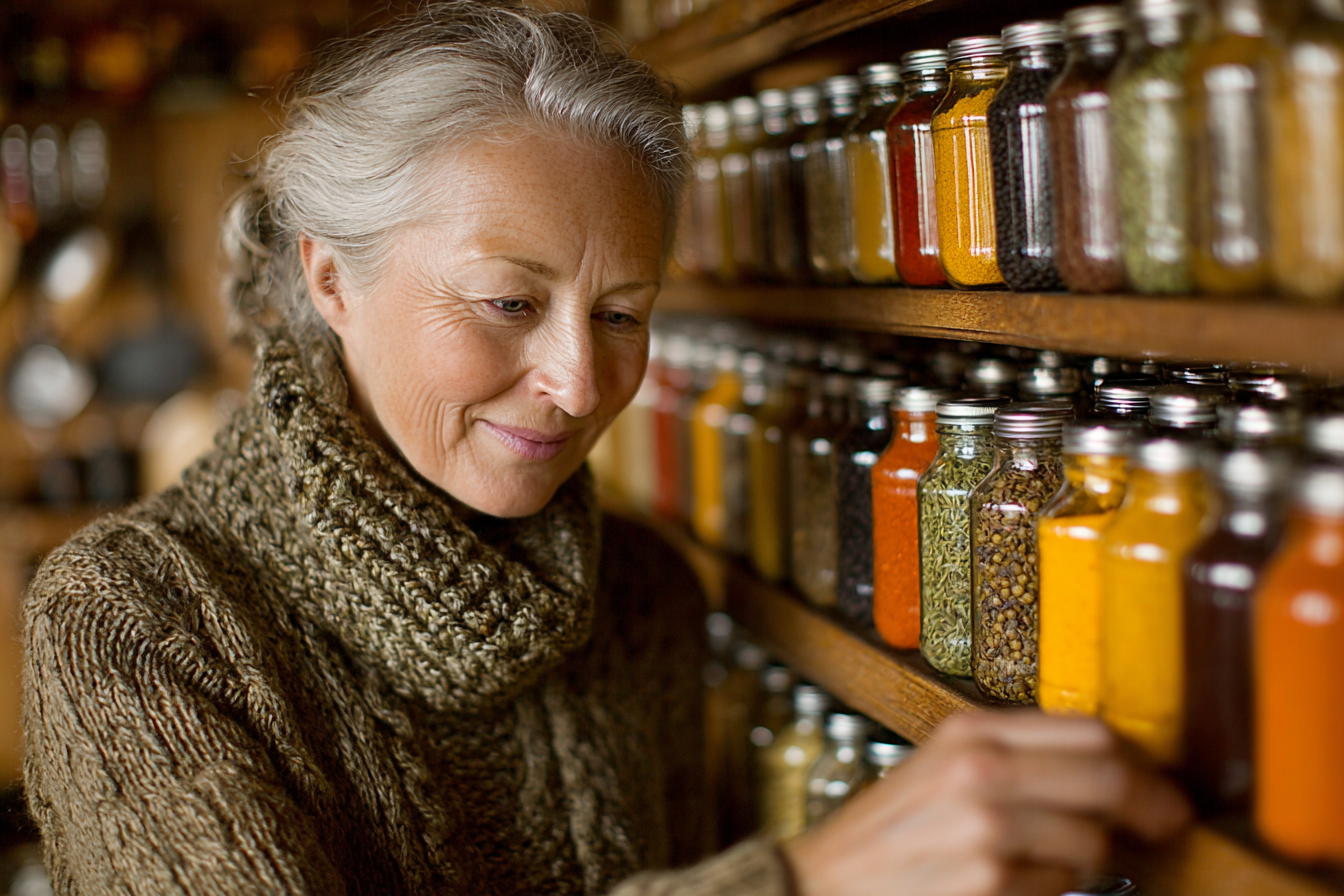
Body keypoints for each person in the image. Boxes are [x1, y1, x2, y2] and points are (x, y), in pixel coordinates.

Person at [21, 4, 1190, 894]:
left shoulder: (641, 596)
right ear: (331, 276)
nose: (582, 383)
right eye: (508, 303)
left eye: (622, 312)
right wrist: (806, 879)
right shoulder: (135, 623)